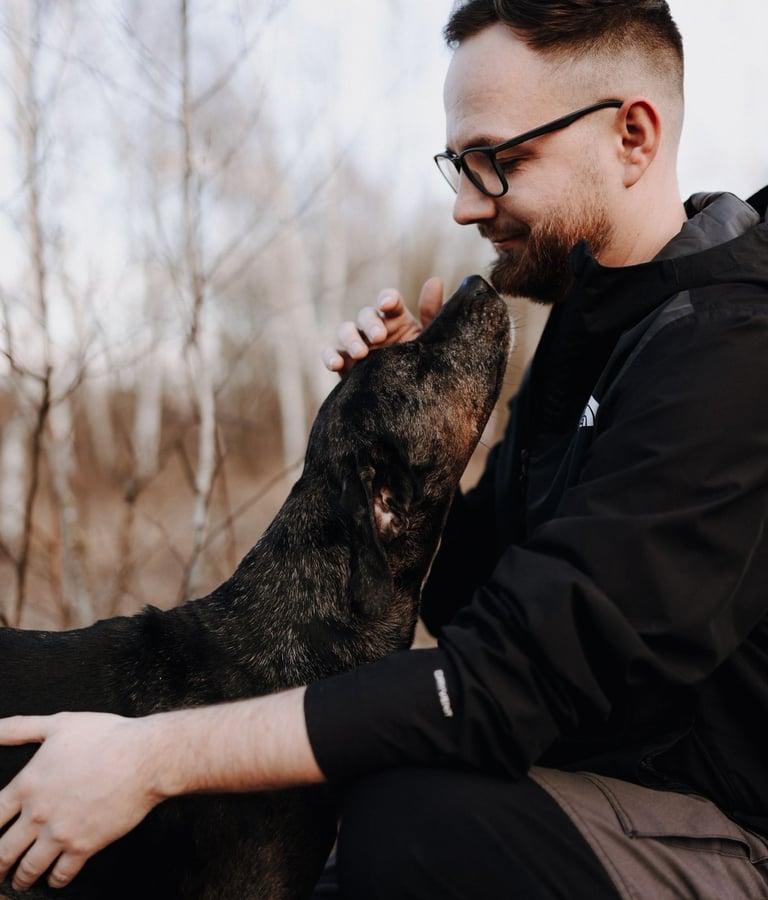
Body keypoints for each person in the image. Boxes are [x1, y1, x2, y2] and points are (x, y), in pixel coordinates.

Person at [1, 1, 768, 896]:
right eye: (458, 164)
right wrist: (396, 438)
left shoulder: (731, 356)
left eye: (499, 161)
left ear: (633, 136)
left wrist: (149, 758)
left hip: (713, 830)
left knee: (408, 818)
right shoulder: (587, 327)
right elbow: (470, 594)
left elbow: (499, 685)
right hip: (568, 782)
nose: (464, 205)